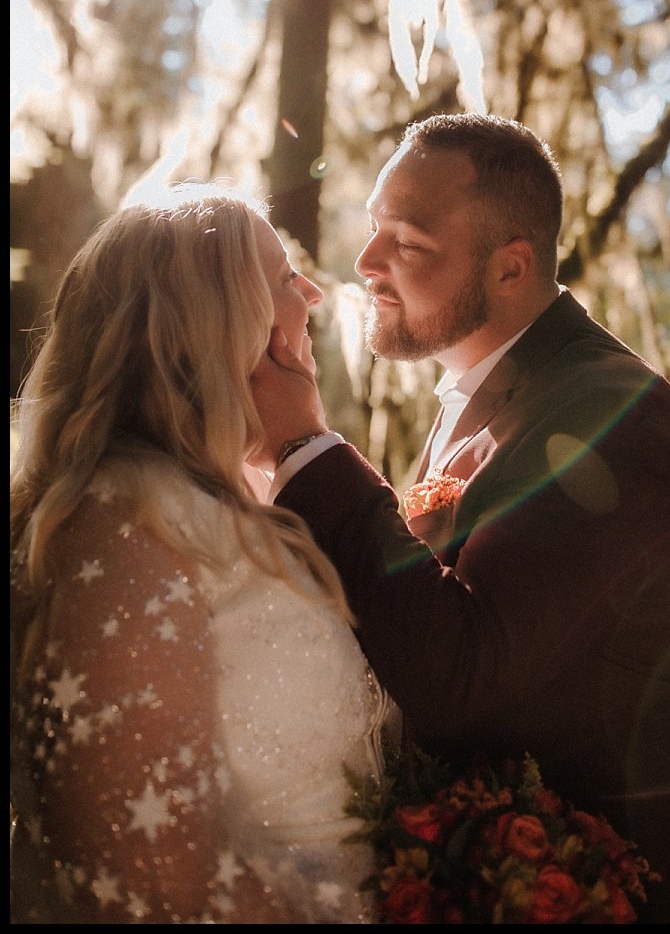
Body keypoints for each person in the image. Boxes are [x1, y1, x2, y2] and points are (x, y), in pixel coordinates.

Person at [249, 113, 670, 923]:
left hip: (586, 888)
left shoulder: (611, 414)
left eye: (408, 243)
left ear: (511, 266)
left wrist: (308, 447)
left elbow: (464, 672)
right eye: (373, 227)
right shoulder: (488, 390)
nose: (365, 262)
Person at [10, 185, 388, 924]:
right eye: (286, 278)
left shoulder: (221, 507)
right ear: (223, 324)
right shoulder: (121, 522)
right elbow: (144, 875)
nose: (314, 293)